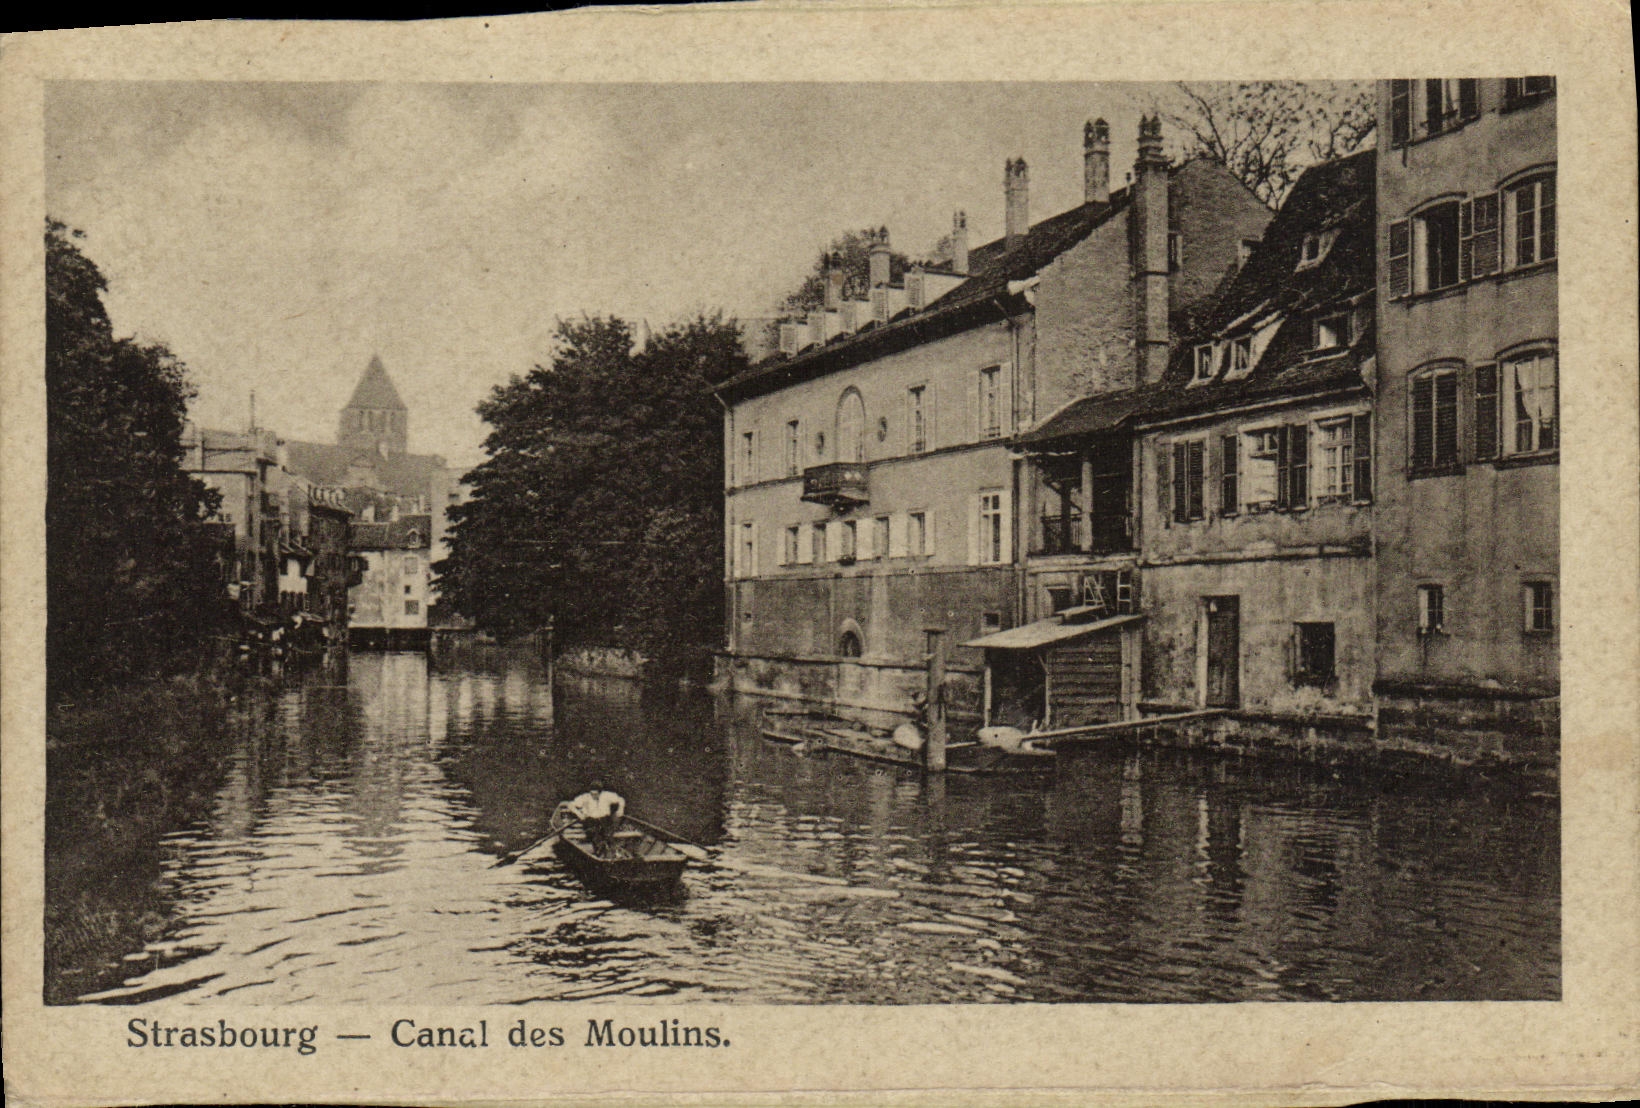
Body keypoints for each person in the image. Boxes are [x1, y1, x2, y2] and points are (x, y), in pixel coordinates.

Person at [567, 781, 626, 857]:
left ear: (600, 792)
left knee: (608, 834)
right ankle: (601, 851)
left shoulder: (607, 795)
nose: (594, 796)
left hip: (604, 819)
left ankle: (608, 850)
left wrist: (621, 809)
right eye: (592, 794)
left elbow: (621, 800)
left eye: (596, 794)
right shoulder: (585, 797)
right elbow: (570, 805)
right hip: (590, 820)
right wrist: (579, 813)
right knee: (594, 834)